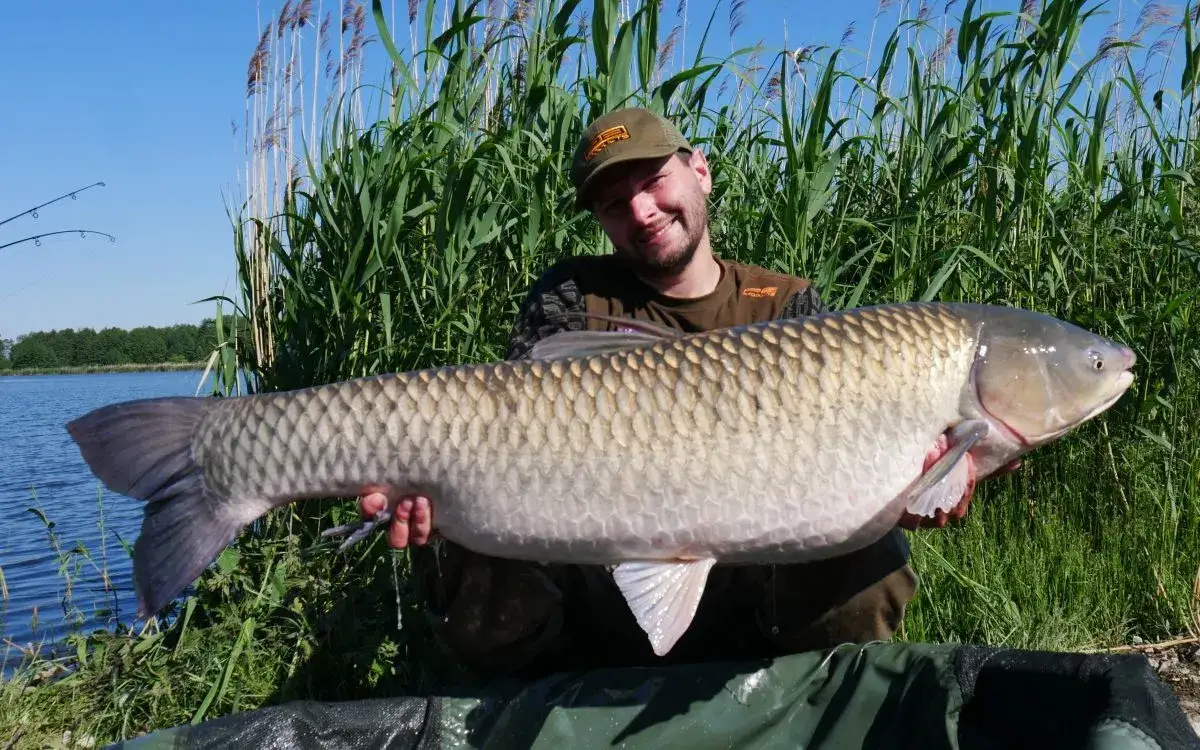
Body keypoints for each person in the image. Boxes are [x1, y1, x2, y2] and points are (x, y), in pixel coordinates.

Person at [356, 107, 996, 678]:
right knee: (466, 527)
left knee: (870, 543)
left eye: (653, 182)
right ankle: (553, 705)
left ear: (701, 173)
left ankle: (795, 702)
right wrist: (441, 488)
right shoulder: (574, 300)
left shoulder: (787, 307)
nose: (641, 211)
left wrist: (923, 482)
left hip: (752, 586)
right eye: (613, 203)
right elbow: (512, 433)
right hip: (597, 580)